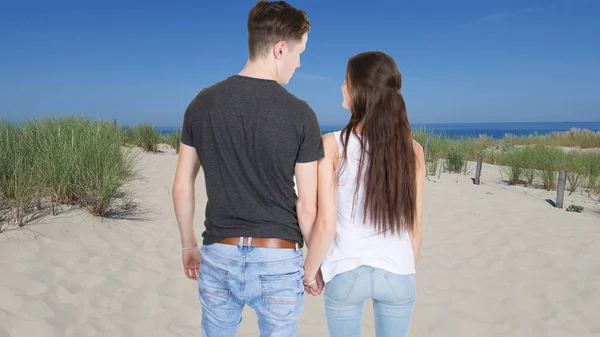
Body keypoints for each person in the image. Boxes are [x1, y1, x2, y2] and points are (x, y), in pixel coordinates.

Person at [171, 1, 324, 336]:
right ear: (280, 48)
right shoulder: (301, 114)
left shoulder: (202, 103)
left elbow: (182, 185)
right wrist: (315, 263)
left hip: (218, 253)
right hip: (279, 259)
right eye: (300, 52)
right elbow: (308, 206)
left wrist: (187, 244)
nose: (300, 63)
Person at [302, 51, 425, 337]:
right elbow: (415, 229)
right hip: (398, 271)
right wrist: (402, 267)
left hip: (346, 272)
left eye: (345, 82)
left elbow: (325, 224)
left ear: (360, 91)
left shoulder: (332, 145)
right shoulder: (412, 150)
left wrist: (310, 272)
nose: (341, 88)